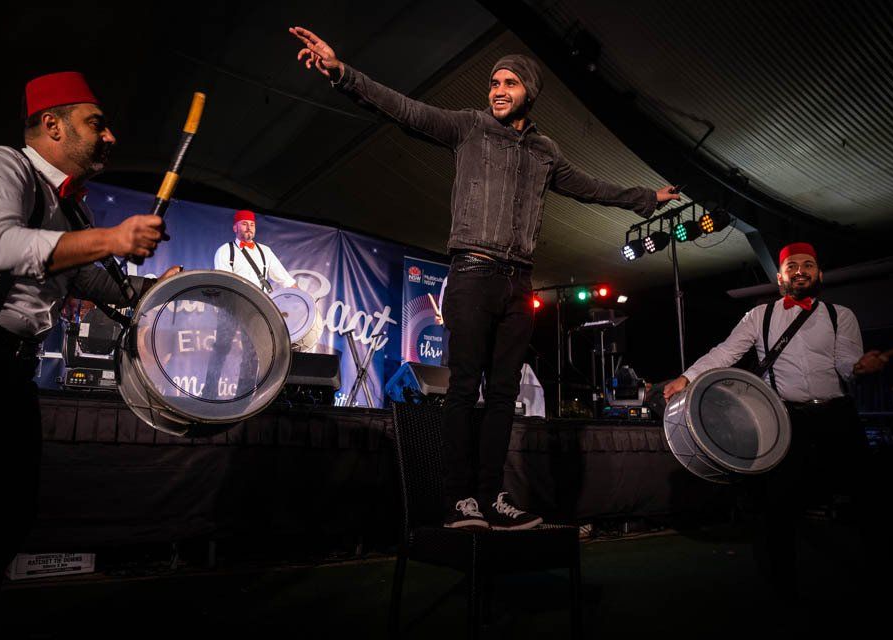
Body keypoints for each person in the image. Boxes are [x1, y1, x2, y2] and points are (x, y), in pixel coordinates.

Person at [290, 26, 680, 530]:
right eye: (494, 82)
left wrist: (646, 198)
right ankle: (459, 500)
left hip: (518, 285)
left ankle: (492, 496)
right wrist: (342, 73)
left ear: (528, 92)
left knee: (502, 395)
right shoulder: (469, 126)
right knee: (462, 388)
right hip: (472, 273)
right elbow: (404, 109)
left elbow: (590, 187)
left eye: (509, 83)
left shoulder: (545, 151)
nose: (497, 90)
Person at [0, 71, 179, 616]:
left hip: (9, 369)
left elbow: (88, 280)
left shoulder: (74, 209)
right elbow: (2, 246)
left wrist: (157, 289)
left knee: (7, 509)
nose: (110, 137)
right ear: (52, 125)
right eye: (97, 124)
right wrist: (114, 238)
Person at [662, 242, 868, 591]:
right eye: (792, 266)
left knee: (867, 497)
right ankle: (783, 587)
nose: (800, 271)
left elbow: (847, 364)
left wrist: (861, 367)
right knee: (778, 506)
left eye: (808, 265)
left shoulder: (841, 315)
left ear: (819, 273)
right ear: (780, 277)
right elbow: (725, 353)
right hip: (788, 419)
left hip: (838, 416)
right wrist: (688, 377)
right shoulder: (759, 316)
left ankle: (878, 575)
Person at [204, 210, 297, 398]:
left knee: (252, 352)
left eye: (252, 224)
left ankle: (243, 396)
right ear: (235, 227)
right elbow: (223, 281)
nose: (249, 228)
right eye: (244, 224)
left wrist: (302, 299)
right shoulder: (225, 251)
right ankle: (209, 392)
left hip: (257, 308)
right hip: (231, 305)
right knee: (221, 348)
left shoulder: (265, 252)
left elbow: (286, 279)